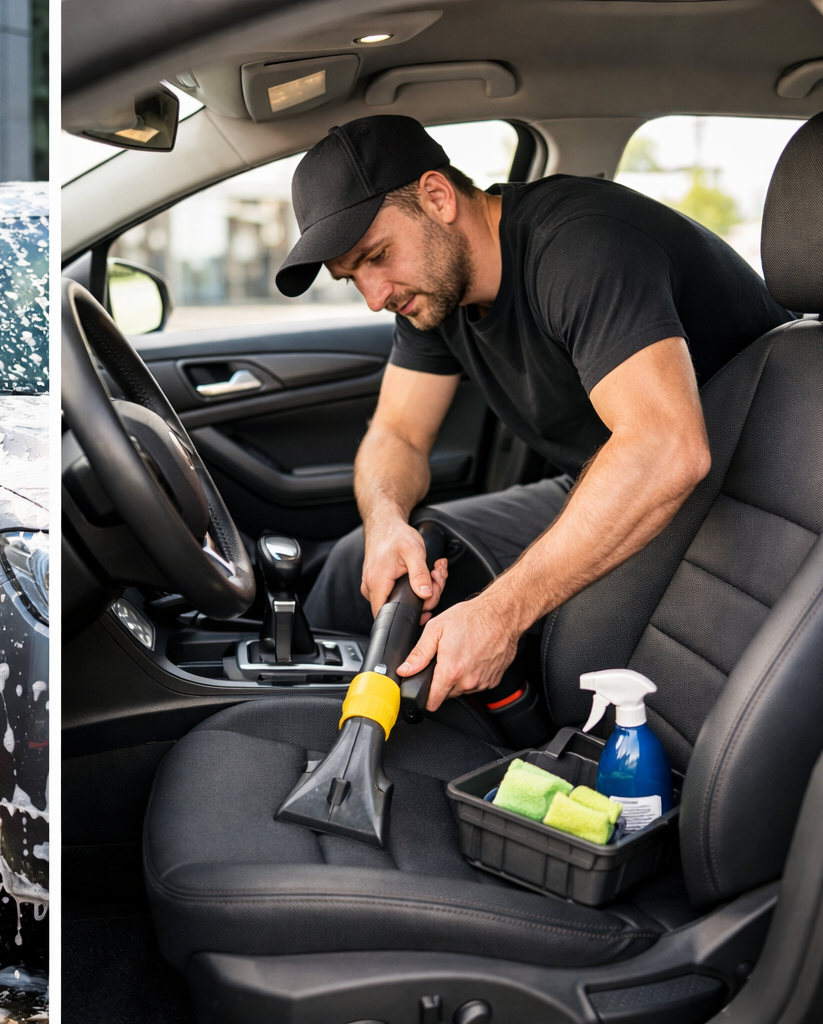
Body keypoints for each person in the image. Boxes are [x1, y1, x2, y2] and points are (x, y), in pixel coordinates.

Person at [283, 115, 791, 717]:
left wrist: (501, 613)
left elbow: (667, 448)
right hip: (612, 477)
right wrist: (386, 523)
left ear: (438, 197)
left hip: (745, 502)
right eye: (352, 278)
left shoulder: (580, 245)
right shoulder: (432, 293)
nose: (374, 295)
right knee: (354, 567)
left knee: (543, 639)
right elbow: (398, 432)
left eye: (377, 256)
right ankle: (314, 734)